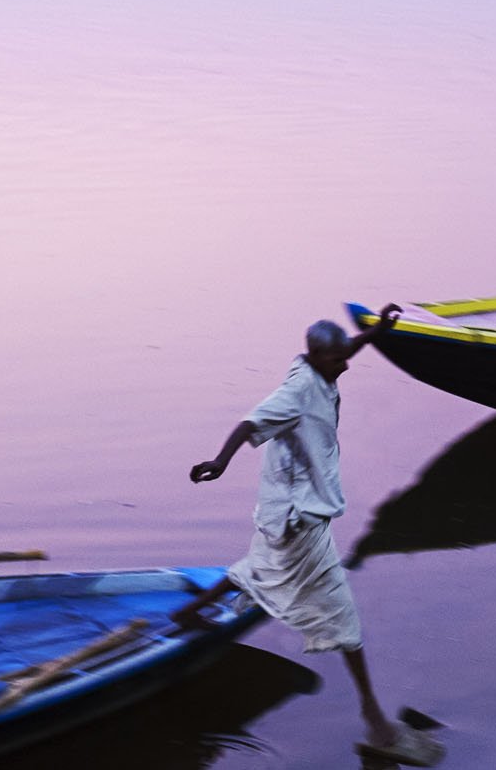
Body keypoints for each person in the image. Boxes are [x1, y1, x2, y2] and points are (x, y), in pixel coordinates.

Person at [172, 303, 444, 767]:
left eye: (345, 358)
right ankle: (377, 727)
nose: (344, 365)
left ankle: (191, 613)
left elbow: (347, 350)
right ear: (316, 356)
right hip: (299, 517)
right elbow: (249, 423)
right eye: (337, 359)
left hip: (288, 509)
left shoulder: (322, 370)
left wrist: (377, 330)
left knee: (259, 569)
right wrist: (220, 462)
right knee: (345, 623)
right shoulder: (297, 390)